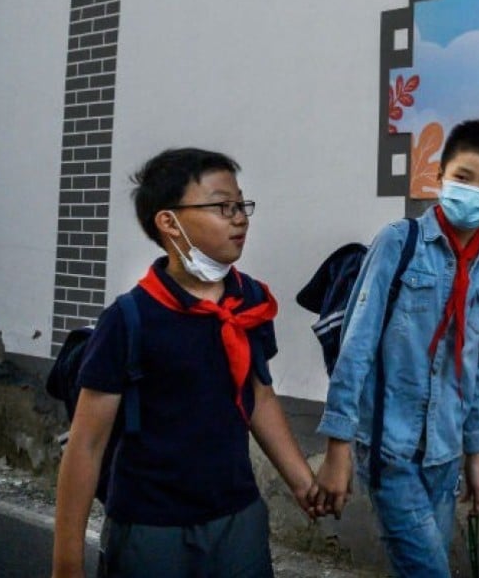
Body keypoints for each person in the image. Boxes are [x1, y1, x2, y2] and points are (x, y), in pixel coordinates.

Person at [52, 148, 317, 578]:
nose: (239, 218)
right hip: (150, 529)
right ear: (169, 221)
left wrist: (302, 482)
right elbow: (87, 444)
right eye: (221, 206)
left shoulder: (248, 301)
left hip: (237, 518)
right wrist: (66, 563)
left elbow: (259, 397)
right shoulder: (130, 319)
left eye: (241, 205)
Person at [313, 119, 479, 576]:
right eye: (462, 178)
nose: (473, 191)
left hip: (444, 454)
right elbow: (357, 346)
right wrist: (337, 448)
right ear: (440, 176)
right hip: (390, 449)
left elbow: (476, 363)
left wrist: (476, 455)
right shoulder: (398, 243)